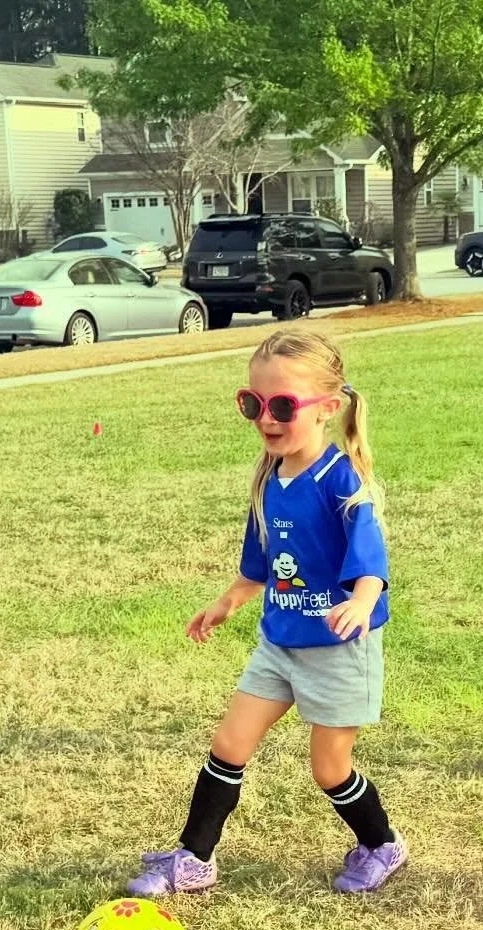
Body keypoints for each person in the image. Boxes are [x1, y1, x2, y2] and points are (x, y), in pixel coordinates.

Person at [128, 330, 407, 896]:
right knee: (229, 745)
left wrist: (361, 600)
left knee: (329, 769)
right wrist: (226, 602)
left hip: (337, 649)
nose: (266, 418)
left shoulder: (342, 480)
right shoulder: (269, 477)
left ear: (328, 408)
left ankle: (382, 844)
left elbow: (371, 561)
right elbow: (262, 564)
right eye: (254, 404)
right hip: (279, 643)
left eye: (282, 406)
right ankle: (195, 858)